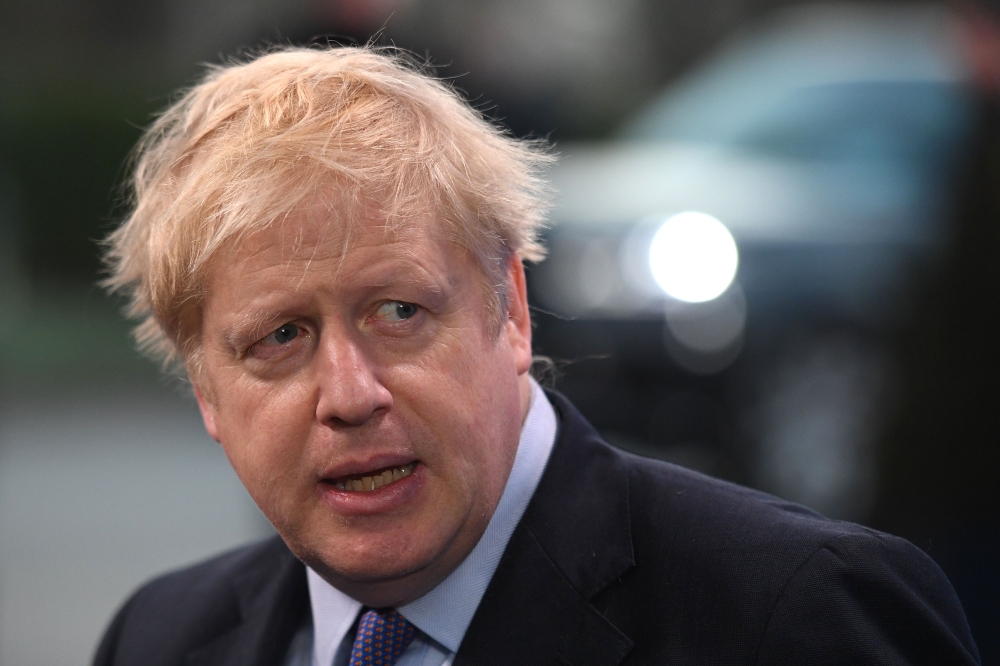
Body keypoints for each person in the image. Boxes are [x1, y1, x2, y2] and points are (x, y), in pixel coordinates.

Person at [94, 46, 980, 666]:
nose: (349, 394)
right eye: (280, 338)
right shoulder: (159, 639)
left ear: (510, 309)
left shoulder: (800, 617)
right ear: (206, 388)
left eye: (399, 311)